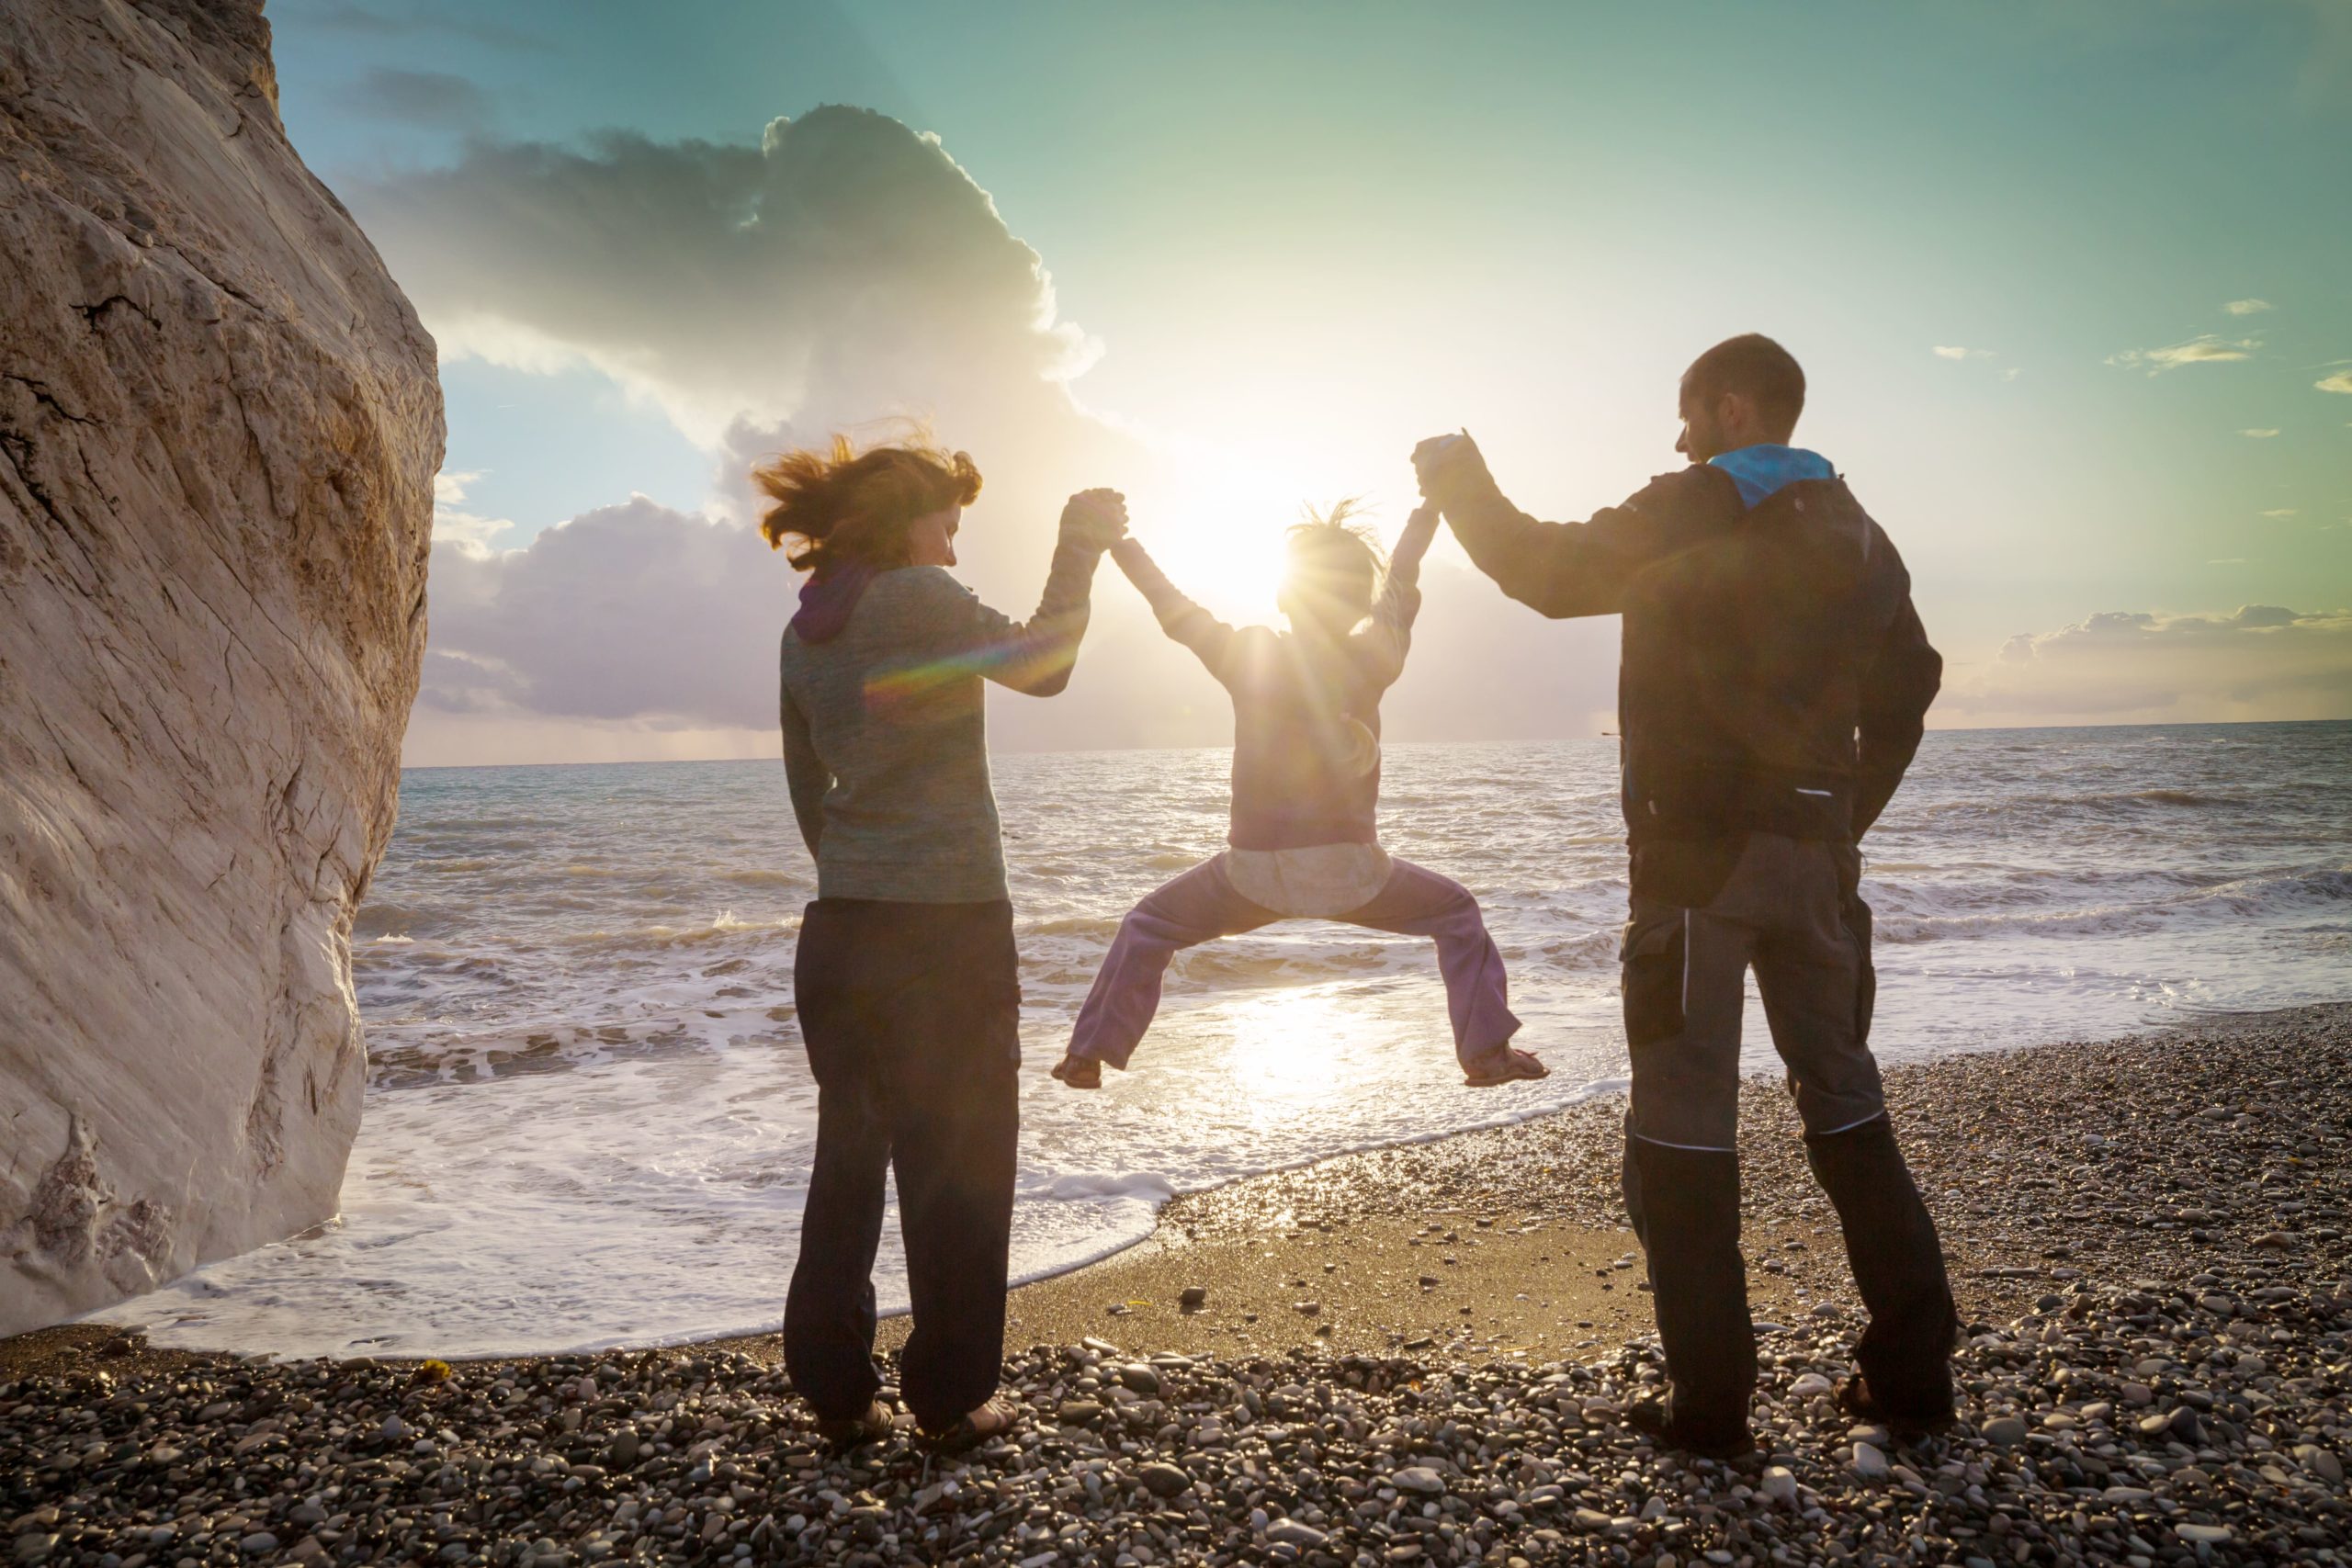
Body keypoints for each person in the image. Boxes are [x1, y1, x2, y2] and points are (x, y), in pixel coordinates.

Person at [1412, 333, 1956, 1459]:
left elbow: (1550, 575)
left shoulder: (1702, 500)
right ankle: (1912, 1376)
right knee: (1845, 1104)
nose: (1678, 436)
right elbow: (1914, 682)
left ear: (1733, 405)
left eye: (1690, 414)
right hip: (1815, 865)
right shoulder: (1865, 533)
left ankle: (1710, 1407)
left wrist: (1457, 480)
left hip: (1699, 863)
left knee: (1682, 1120)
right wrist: (1840, 815)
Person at [765, 433, 1127, 1452]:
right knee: (959, 1163)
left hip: (841, 929)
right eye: (949, 528)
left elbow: (807, 790)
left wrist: (858, 874)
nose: (955, 553)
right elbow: (1045, 664)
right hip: (946, 927)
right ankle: (952, 1397)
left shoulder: (803, 634)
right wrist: (1078, 546)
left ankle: (837, 1393)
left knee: (849, 1155)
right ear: (906, 522)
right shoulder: (915, 597)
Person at [1052, 502, 1544, 1089]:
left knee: (1148, 925)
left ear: (1285, 594)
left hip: (1251, 871)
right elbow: (1402, 590)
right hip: (1353, 871)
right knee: (1457, 914)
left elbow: (1174, 610)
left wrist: (1123, 547)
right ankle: (1487, 1054)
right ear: (1360, 601)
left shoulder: (1250, 653)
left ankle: (1088, 1056)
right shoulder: (1372, 656)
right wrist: (1420, 526)